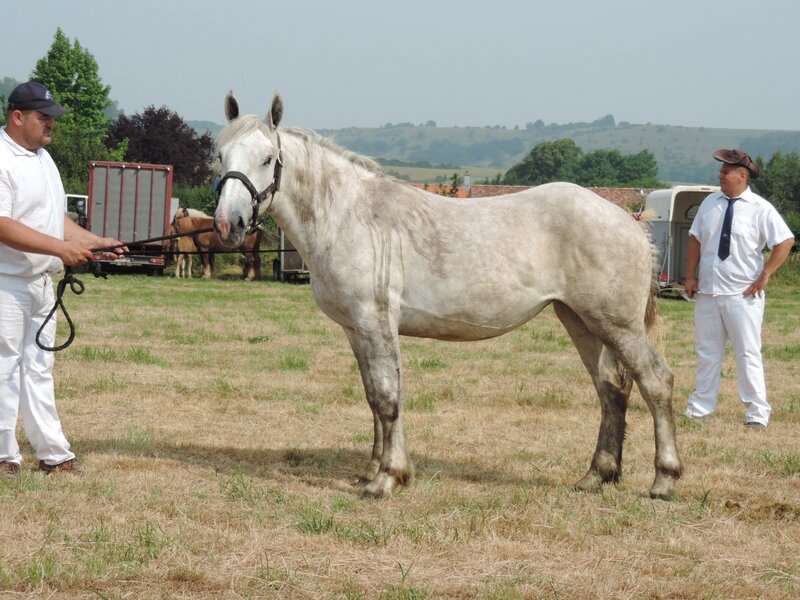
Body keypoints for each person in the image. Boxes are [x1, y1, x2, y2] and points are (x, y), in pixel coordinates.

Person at [0, 81, 126, 476]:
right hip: (6, 281)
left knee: (39, 368)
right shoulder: (2, 158)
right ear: (17, 117)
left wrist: (95, 242)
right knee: (4, 366)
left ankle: (52, 453)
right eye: (43, 117)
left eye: (53, 117)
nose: (51, 124)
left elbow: (55, 221)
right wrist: (58, 249)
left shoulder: (43, 158)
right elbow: (2, 224)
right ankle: (4, 455)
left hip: (38, 284)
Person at [683, 148, 795, 430]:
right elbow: (695, 239)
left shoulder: (761, 208)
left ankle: (757, 412)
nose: (720, 176)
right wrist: (689, 276)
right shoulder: (709, 203)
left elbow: (785, 241)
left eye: (725, 172)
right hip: (709, 291)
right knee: (707, 351)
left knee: (748, 352)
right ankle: (699, 408)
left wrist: (765, 273)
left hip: (743, 294)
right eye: (721, 172)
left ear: (741, 176)